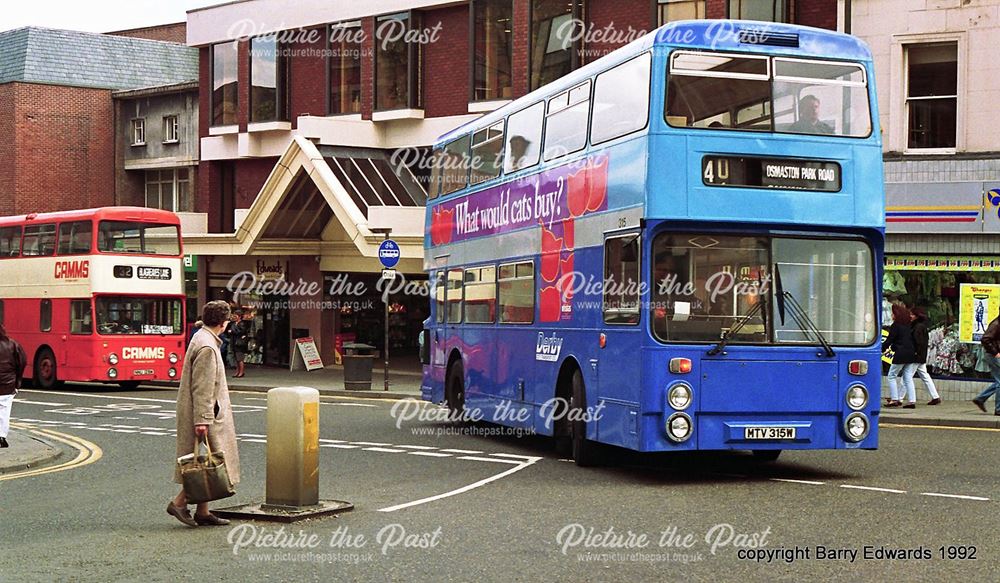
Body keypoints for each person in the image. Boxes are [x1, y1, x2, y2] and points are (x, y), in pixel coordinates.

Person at [167, 300, 241, 527]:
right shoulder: (208, 347)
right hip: (207, 414)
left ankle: (203, 510)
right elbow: (203, 386)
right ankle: (179, 503)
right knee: (215, 462)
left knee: (207, 462)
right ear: (223, 322)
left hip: (206, 412)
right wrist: (202, 420)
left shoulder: (202, 337)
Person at [883, 304, 918, 408]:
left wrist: (882, 348)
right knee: (908, 377)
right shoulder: (908, 325)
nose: (891, 315)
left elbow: (890, 339)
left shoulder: (895, 325)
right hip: (910, 353)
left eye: (893, 313)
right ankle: (912, 400)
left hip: (901, 354)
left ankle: (895, 399)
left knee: (891, 375)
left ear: (896, 315)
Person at [0, 325, 27, 448]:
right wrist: (18, 380)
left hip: (8, 384)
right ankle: (2, 437)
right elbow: (22, 361)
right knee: (4, 411)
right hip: (7, 385)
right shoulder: (13, 345)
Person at [910, 307, 941, 405]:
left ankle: (898, 398)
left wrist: (915, 352)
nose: (910, 316)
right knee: (925, 376)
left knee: (907, 377)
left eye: (912, 314)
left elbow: (917, 342)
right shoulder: (922, 326)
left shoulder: (916, 327)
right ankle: (935, 396)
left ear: (916, 316)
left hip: (917, 355)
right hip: (921, 355)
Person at [971, 309, 1000, 415]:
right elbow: (985, 339)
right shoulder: (996, 324)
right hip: (993, 355)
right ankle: (998, 409)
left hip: (994, 354)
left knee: (999, 381)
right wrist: (995, 353)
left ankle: (981, 398)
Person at [229, 311, 248, 379]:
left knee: (240, 358)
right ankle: (237, 371)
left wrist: (233, 331)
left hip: (239, 343)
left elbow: (242, 332)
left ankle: (241, 372)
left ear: (239, 316)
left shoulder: (242, 323)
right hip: (234, 342)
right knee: (236, 359)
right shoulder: (233, 324)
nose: (234, 317)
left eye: (236, 316)